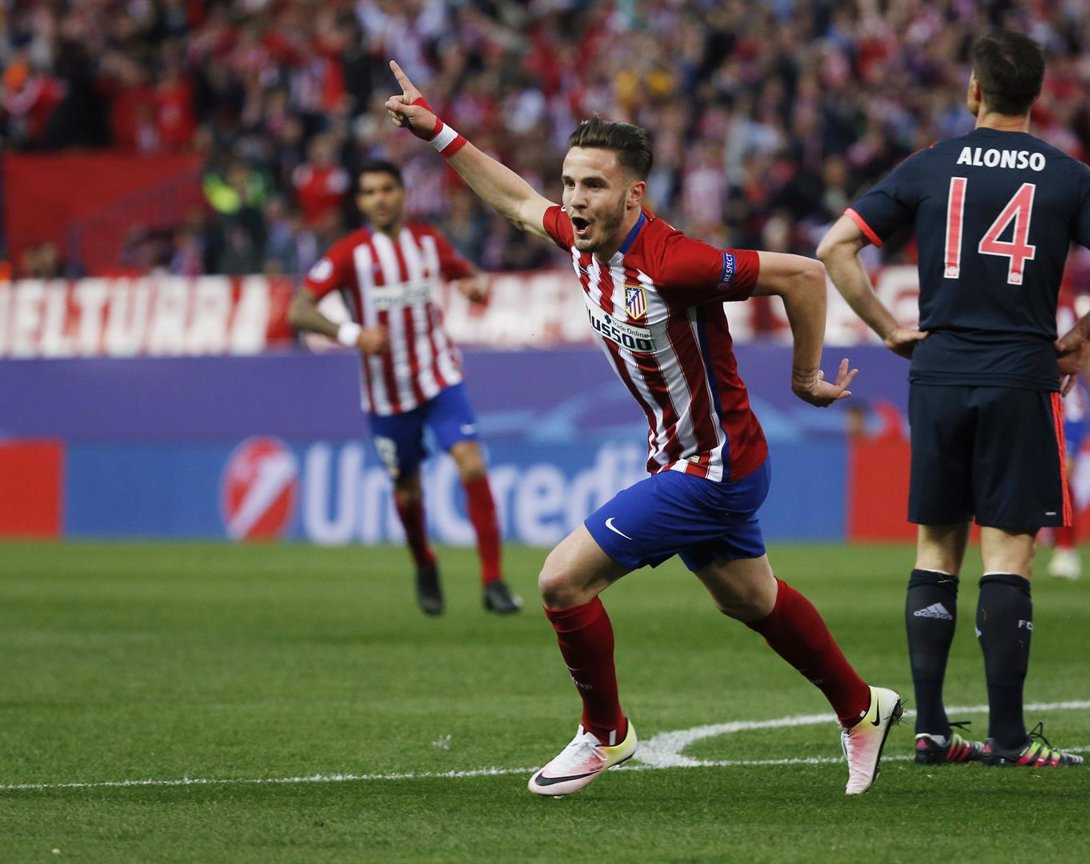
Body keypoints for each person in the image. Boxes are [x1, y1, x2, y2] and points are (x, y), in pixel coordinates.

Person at [385, 60, 902, 798]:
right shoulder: (579, 239)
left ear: (634, 195)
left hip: (713, 465)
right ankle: (863, 708)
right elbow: (515, 201)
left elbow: (805, 276)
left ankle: (605, 733)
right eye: (570, 182)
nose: (573, 199)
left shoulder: (673, 261)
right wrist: (437, 131)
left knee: (562, 581)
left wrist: (804, 377)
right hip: (682, 455)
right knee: (750, 600)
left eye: (592, 185)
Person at [817, 30, 1090, 768]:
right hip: (1018, 375)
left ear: (973, 92)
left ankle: (932, 730)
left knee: (937, 548)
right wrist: (1081, 333)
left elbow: (835, 246)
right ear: (1038, 97)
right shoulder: (1069, 176)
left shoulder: (930, 165)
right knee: (1008, 555)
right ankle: (1007, 738)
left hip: (937, 373)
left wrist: (888, 328)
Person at [287, 160, 522, 617]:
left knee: (471, 466)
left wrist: (477, 285)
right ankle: (425, 564)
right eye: (370, 191)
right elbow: (299, 310)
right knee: (409, 490)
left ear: (402, 194)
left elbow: (469, 274)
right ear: (360, 202)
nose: (380, 198)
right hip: (388, 394)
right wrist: (353, 334)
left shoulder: (428, 243)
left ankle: (493, 580)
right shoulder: (348, 254)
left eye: (388, 189)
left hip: (440, 377)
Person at [1046, 294, 1090, 581]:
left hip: (1068, 403)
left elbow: (1089, 356)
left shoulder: (1067, 307)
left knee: (1063, 474)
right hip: (1031, 399)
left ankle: (1066, 550)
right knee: (1034, 476)